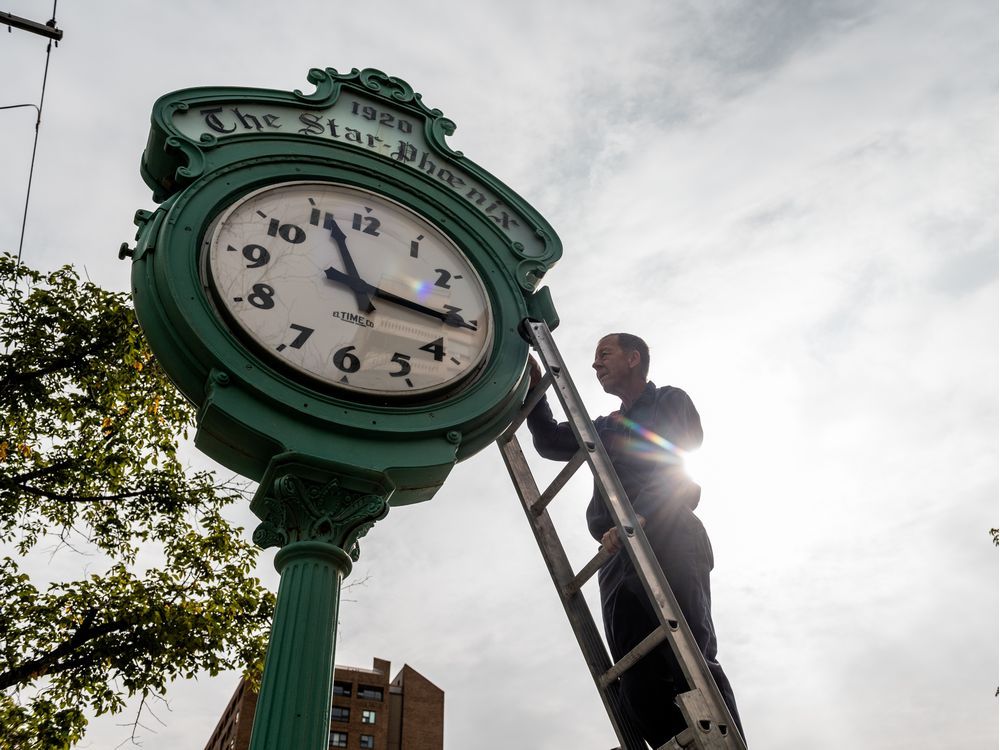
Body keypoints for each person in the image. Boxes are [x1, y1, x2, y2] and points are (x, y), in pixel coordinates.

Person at [525, 333, 744, 747]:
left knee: (689, 654)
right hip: (617, 548)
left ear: (633, 358)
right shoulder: (605, 426)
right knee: (634, 667)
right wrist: (537, 389)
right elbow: (551, 441)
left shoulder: (668, 401)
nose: (595, 364)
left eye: (603, 354)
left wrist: (641, 513)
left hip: (669, 530)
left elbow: (680, 452)